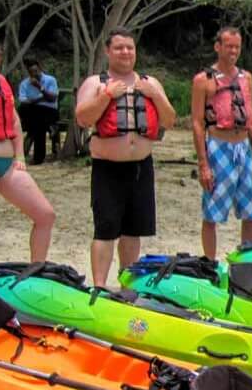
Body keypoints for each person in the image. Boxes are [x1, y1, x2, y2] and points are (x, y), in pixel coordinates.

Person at [75, 26, 176, 287]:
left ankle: (127, 286)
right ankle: (99, 287)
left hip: (141, 168)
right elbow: (82, 118)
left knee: (133, 232)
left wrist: (154, 95)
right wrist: (107, 96)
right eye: (119, 47)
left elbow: (170, 120)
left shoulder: (150, 83)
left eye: (130, 47)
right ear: (108, 51)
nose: (125, 52)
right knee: (106, 231)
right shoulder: (95, 84)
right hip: (107, 168)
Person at [0, 27, 56, 278]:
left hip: (8, 161)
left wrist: (20, 155)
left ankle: (35, 276)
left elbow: (15, 121)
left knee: (45, 215)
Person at [190, 26, 252, 259]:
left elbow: (251, 119)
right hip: (218, 146)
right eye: (229, 46)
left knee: (250, 211)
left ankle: (247, 261)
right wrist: (203, 164)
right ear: (218, 47)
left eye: (237, 47)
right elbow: (197, 123)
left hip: (243, 147)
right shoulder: (203, 80)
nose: (233, 51)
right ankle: (210, 263)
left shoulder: (246, 78)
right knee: (213, 212)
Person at [16, 58, 60, 165]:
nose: (35, 74)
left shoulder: (50, 80)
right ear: (28, 72)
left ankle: (38, 158)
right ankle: (49, 127)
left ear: (40, 69)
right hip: (33, 113)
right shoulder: (24, 84)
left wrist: (40, 87)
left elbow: (53, 98)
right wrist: (41, 98)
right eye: (32, 72)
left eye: (36, 71)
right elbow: (23, 101)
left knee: (37, 123)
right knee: (31, 115)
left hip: (49, 111)